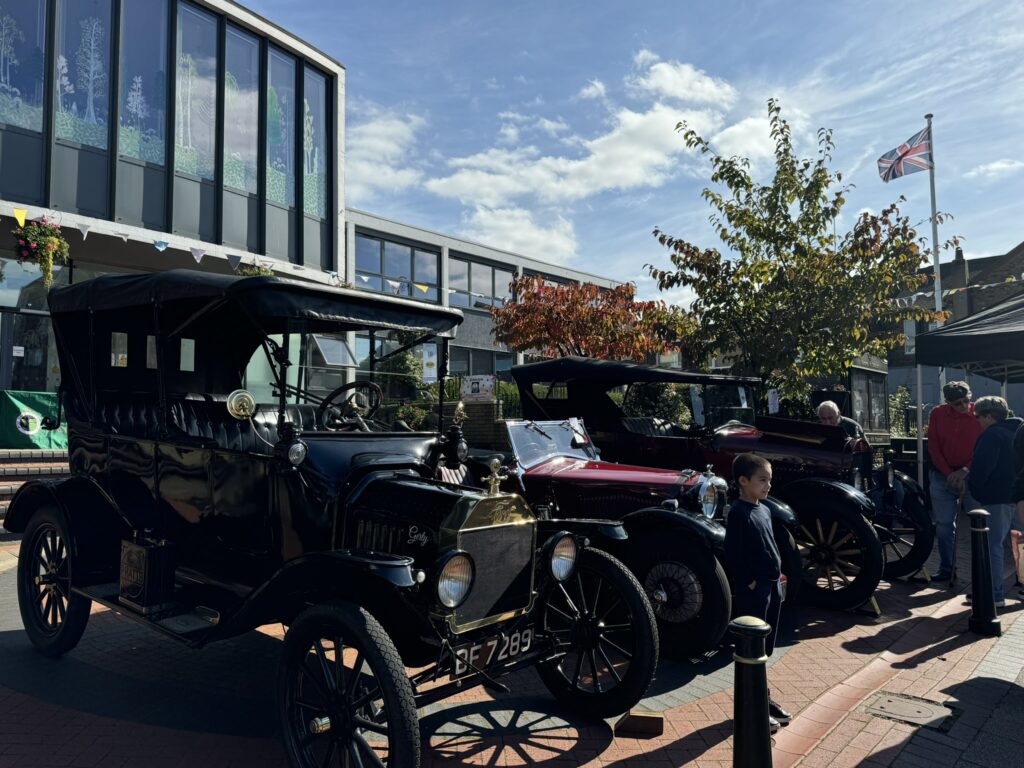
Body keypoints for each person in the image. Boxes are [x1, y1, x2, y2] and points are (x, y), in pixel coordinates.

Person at [725, 453, 790, 733]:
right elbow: (732, 552)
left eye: (769, 481)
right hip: (755, 590)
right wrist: (748, 581)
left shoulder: (764, 509)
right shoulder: (738, 512)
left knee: (766, 648)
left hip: (772, 586)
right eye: (762, 480)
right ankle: (753, 708)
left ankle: (764, 700)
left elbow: (770, 544)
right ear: (743, 481)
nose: (768, 486)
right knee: (752, 649)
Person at [966, 396, 1021, 607]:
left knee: (993, 547)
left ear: (989, 416)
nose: (977, 421)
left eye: (978, 416)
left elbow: (981, 469)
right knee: (1021, 545)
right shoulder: (1018, 431)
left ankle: (995, 594)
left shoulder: (991, 436)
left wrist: (976, 491)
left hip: (997, 497)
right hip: (1019, 496)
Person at [927, 381, 984, 582]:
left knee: (979, 523)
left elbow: (983, 448)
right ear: (948, 402)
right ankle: (947, 568)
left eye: (966, 401)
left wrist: (964, 471)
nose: (963, 406)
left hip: (971, 475)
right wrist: (949, 473)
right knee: (943, 525)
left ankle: (981, 571)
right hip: (943, 474)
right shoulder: (937, 413)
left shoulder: (979, 412)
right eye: (957, 403)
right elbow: (933, 446)